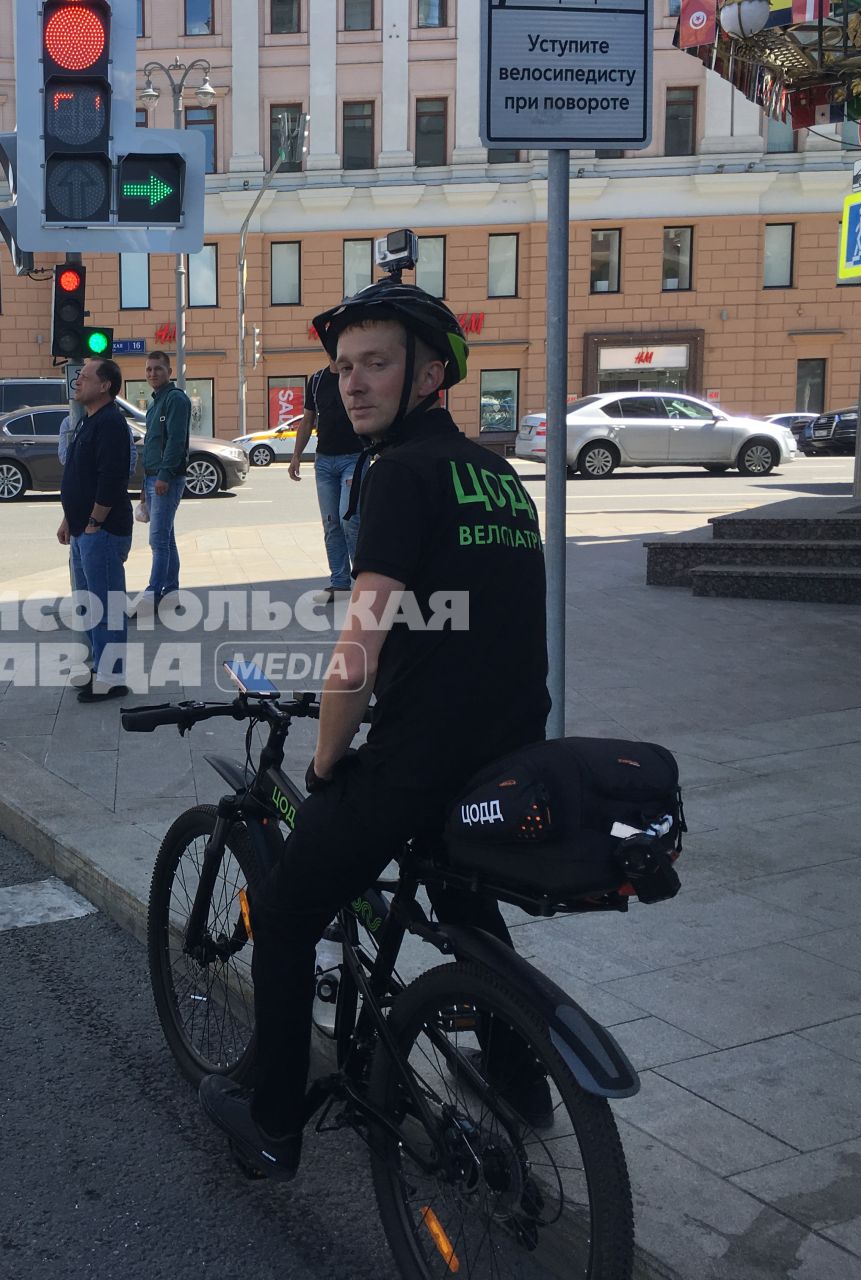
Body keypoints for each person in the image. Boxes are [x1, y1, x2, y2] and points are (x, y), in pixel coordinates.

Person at [198, 281, 551, 1180]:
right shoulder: (497, 474)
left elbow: (360, 643)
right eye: (342, 369)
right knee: (468, 907)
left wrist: (323, 764)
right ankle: (522, 1082)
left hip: (421, 759)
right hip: (507, 751)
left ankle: (273, 1123)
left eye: (376, 364)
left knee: (281, 916)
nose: (350, 386)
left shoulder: (398, 474)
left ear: (430, 373)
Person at [57, 358, 134, 703]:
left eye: (84, 377)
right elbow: (77, 476)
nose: (78, 381)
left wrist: (93, 522)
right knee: (90, 606)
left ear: (104, 386)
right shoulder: (88, 420)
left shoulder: (111, 424)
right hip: (82, 531)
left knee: (105, 606)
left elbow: (112, 478)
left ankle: (112, 678)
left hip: (100, 532)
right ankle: (102, 670)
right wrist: (69, 521)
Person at [288, 359, 365, 601]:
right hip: (324, 462)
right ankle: (339, 583)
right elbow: (308, 420)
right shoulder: (317, 380)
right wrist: (296, 456)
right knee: (331, 523)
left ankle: (363, 582)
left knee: (349, 519)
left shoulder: (356, 375)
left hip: (354, 458)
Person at [132, 350, 190, 612]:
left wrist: (164, 476)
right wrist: (146, 484)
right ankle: (171, 592)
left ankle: (153, 594)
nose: (152, 373)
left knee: (158, 540)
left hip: (167, 478)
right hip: (153, 478)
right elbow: (154, 444)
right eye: (148, 369)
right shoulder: (155, 402)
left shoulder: (176, 400)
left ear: (169, 371)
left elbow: (176, 441)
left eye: (158, 368)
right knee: (167, 537)